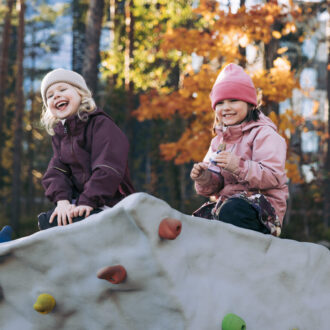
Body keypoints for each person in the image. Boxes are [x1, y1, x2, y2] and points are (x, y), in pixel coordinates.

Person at [190, 63, 288, 236]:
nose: (226, 107)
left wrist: (238, 166)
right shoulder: (218, 142)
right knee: (196, 224)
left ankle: (251, 255)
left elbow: (272, 176)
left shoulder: (264, 134)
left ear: (250, 104)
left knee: (232, 210)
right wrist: (205, 177)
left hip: (262, 210)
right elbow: (214, 185)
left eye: (233, 100)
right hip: (228, 205)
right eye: (220, 103)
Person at [38, 68, 135, 230]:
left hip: (111, 202)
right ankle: (11, 248)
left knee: (77, 224)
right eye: (50, 95)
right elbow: (56, 172)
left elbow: (108, 167)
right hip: (80, 203)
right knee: (49, 221)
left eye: (62, 89)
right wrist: (62, 201)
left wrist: (88, 201)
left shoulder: (101, 125)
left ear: (81, 94)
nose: (56, 96)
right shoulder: (61, 135)